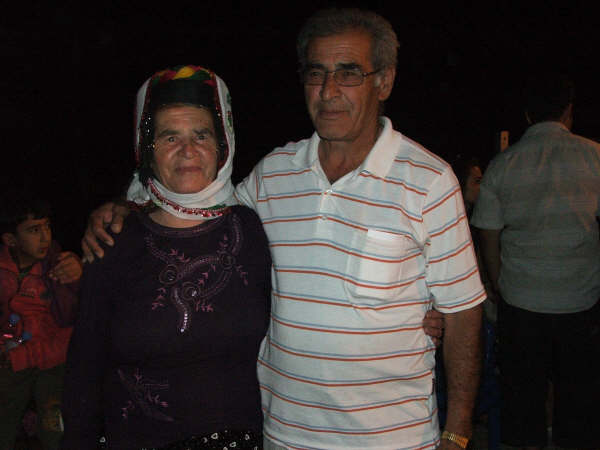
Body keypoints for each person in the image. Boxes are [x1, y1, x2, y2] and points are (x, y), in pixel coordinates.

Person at [82, 9, 482, 449]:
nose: (329, 91)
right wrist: (126, 205)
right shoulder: (273, 174)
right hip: (284, 435)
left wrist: (457, 433)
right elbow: (194, 207)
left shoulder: (429, 181)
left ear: (384, 82)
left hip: (391, 437)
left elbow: (463, 312)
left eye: (349, 73)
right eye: (316, 73)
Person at [60, 66, 272, 449]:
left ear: (223, 145)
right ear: (147, 150)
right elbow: (84, 368)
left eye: (201, 135)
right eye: (169, 136)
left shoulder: (254, 230)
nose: (187, 150)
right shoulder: (113, 239)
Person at [471, 73, 600, 449]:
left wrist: (498, 283)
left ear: (528, 115)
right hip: (582, 301)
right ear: (569, 111)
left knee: (522, 403)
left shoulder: (503, 165)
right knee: (579, 403)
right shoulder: (595, 156)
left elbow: (489, 234)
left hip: (521, 302)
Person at [0, 195, 81, 450]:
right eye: (34, 230)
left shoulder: (61, 265)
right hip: (11, 358)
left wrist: (79, 277)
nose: (45, 237)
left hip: (53, 360)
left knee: (54, 428)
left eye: (47, 226)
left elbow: (78, 319)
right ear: (10, 239)